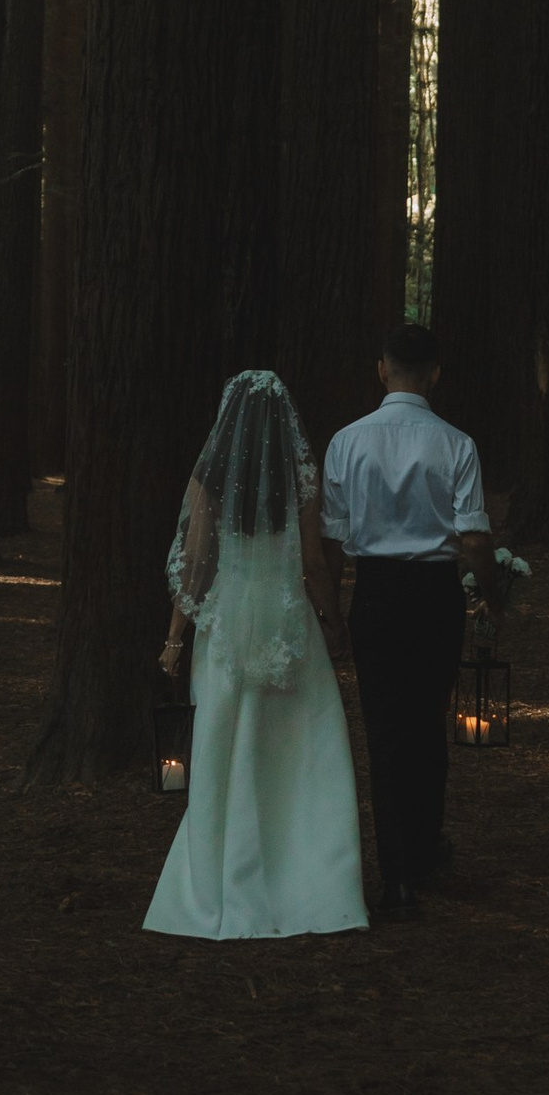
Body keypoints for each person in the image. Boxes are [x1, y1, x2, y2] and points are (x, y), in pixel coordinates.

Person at [144, 369, 367, 942]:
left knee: (226, 745)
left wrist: (174, 637)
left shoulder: (210, 479)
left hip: (226, 624)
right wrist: (333, 621)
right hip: (288, 622)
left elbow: (194, 566)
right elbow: (315, 566)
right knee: (299, 751)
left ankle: (224, 875)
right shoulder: (302, 477)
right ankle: (313, 878)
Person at [318, 321, 492, 919]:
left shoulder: (346, 441)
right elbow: (472, 536)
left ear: (383, 369)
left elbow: (334, 542)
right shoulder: (457, 444)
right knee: (427, 722)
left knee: (387, 732)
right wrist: (488, 592)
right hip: (435, 595)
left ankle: (398, 874)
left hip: (376, 595)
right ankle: (420, 849)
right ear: (436, 373)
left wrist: (335, 616)